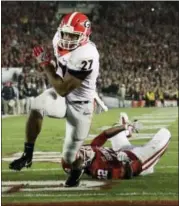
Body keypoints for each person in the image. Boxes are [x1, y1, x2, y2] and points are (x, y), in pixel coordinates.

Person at [9, 12, 102, 187]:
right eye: (65, 33)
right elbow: (60, 85)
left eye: (73, 35)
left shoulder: (87, 54)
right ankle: (27, 155)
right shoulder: (57, 39)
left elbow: (63, 89)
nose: (67, 38)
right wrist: (50, 66)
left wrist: (45, 65)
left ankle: (78, 166)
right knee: (37, 104)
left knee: (69, 157)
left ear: (84, 36)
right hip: (61, 97)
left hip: (80, 105)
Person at [62, 113, 171, 185]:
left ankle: (128, 131)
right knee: (165, 133)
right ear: (82, 165)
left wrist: (126, 127)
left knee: (116, 126)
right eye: (80, 154)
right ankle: (127, 134)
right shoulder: (98, 170)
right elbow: (127, 174)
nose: (83, 150)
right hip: (138, 160)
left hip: (121, 150)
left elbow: (104, 135)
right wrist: (126, 162)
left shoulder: (90, 150)